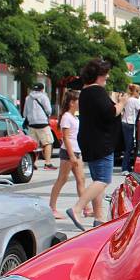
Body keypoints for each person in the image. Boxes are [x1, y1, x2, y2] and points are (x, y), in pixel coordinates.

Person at [66, 58, 127, 231]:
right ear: (99, 75)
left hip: (89, 140)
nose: (107, 76)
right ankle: (77, 208)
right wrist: (121, 103)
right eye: (105, 73)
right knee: (103, 180)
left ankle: (99, 218)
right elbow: (109, 113)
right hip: (101, 142)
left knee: (96, 180)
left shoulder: (85, 92)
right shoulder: (97, 91)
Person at [49, 90, 93, 219]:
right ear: (72, 102)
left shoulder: (74, 117)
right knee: (62, 179)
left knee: (81, 180)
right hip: (69, 152)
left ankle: (87, 208)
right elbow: (66, 137)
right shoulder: (66, 117)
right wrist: (72, 155)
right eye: (78, 100)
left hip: (76, 151)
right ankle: (52, 207)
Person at [22, 82, 56, 170]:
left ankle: (32, 163)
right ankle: (47, 164)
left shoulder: (28, 98)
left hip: (32, 124)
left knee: (33, 145)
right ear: (42, 89)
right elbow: (49, 110)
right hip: (42, 123)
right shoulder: (44, 97)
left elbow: (24, 113)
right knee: (48, 142)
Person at [120, 83, 140, 174]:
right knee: (129, 147)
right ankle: (125, 168)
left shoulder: (127, 99)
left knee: (128, 146)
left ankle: (127, 166)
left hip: (124, 122)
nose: (139, 95)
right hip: (130, 123)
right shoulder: (135, 100)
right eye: (139, 93)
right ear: (136, 92)